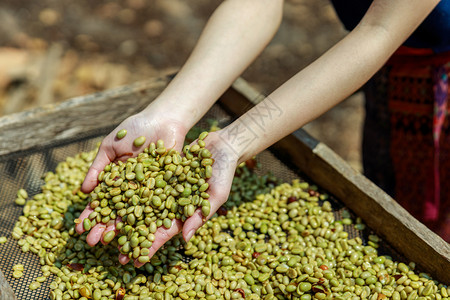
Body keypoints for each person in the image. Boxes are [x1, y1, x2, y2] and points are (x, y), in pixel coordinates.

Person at [75, 0, 449, 267]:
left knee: (430, 232)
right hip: (392, 62)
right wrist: (170, 115)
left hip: (434, 69)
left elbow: (378, 31)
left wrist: (237, 140)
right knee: (393, 193)